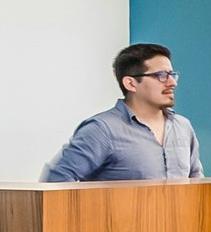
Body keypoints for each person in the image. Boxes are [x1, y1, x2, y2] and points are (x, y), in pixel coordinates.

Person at [42, 42, 201, 181]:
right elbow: (57, 178)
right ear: (131, 83)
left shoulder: (183, 126)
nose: (172, 83)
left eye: (172, 75)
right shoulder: (101, 130)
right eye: (161, 75)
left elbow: (195, 178)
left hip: (179, 216)